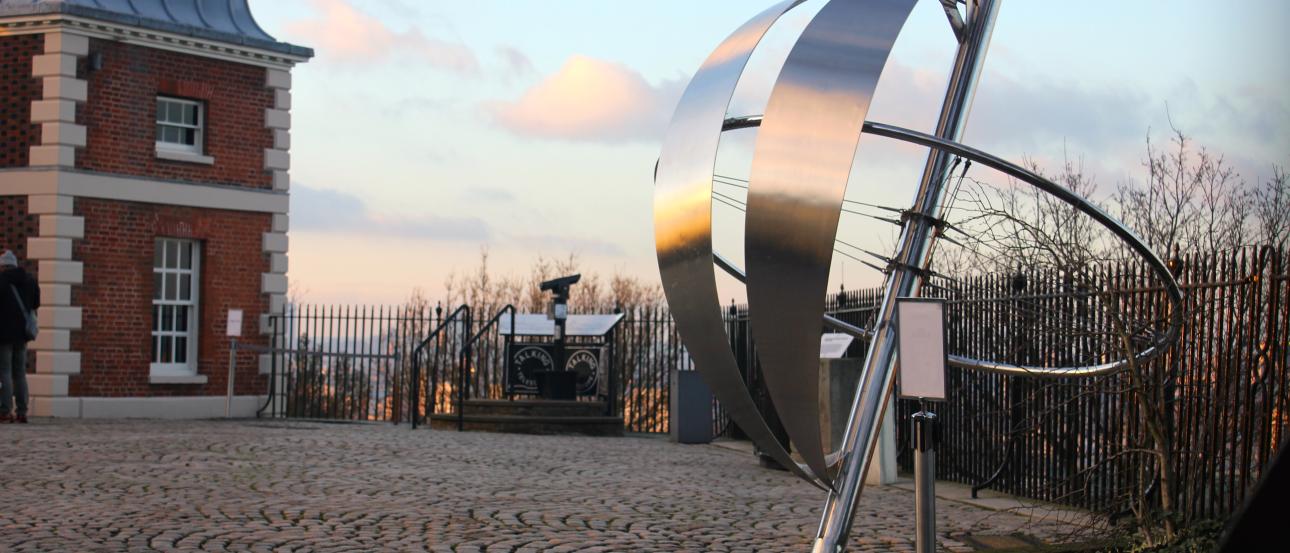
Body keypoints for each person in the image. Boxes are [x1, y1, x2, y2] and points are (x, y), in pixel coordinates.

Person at [0, 249, 39, 423]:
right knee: (20, 373)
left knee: (5, 372)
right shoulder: (30, 281)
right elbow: (36, 303)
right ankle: (22, 411)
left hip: (4, 334)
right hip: (23, 334)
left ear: (3, 266)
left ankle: (5, 410)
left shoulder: (1, 281)